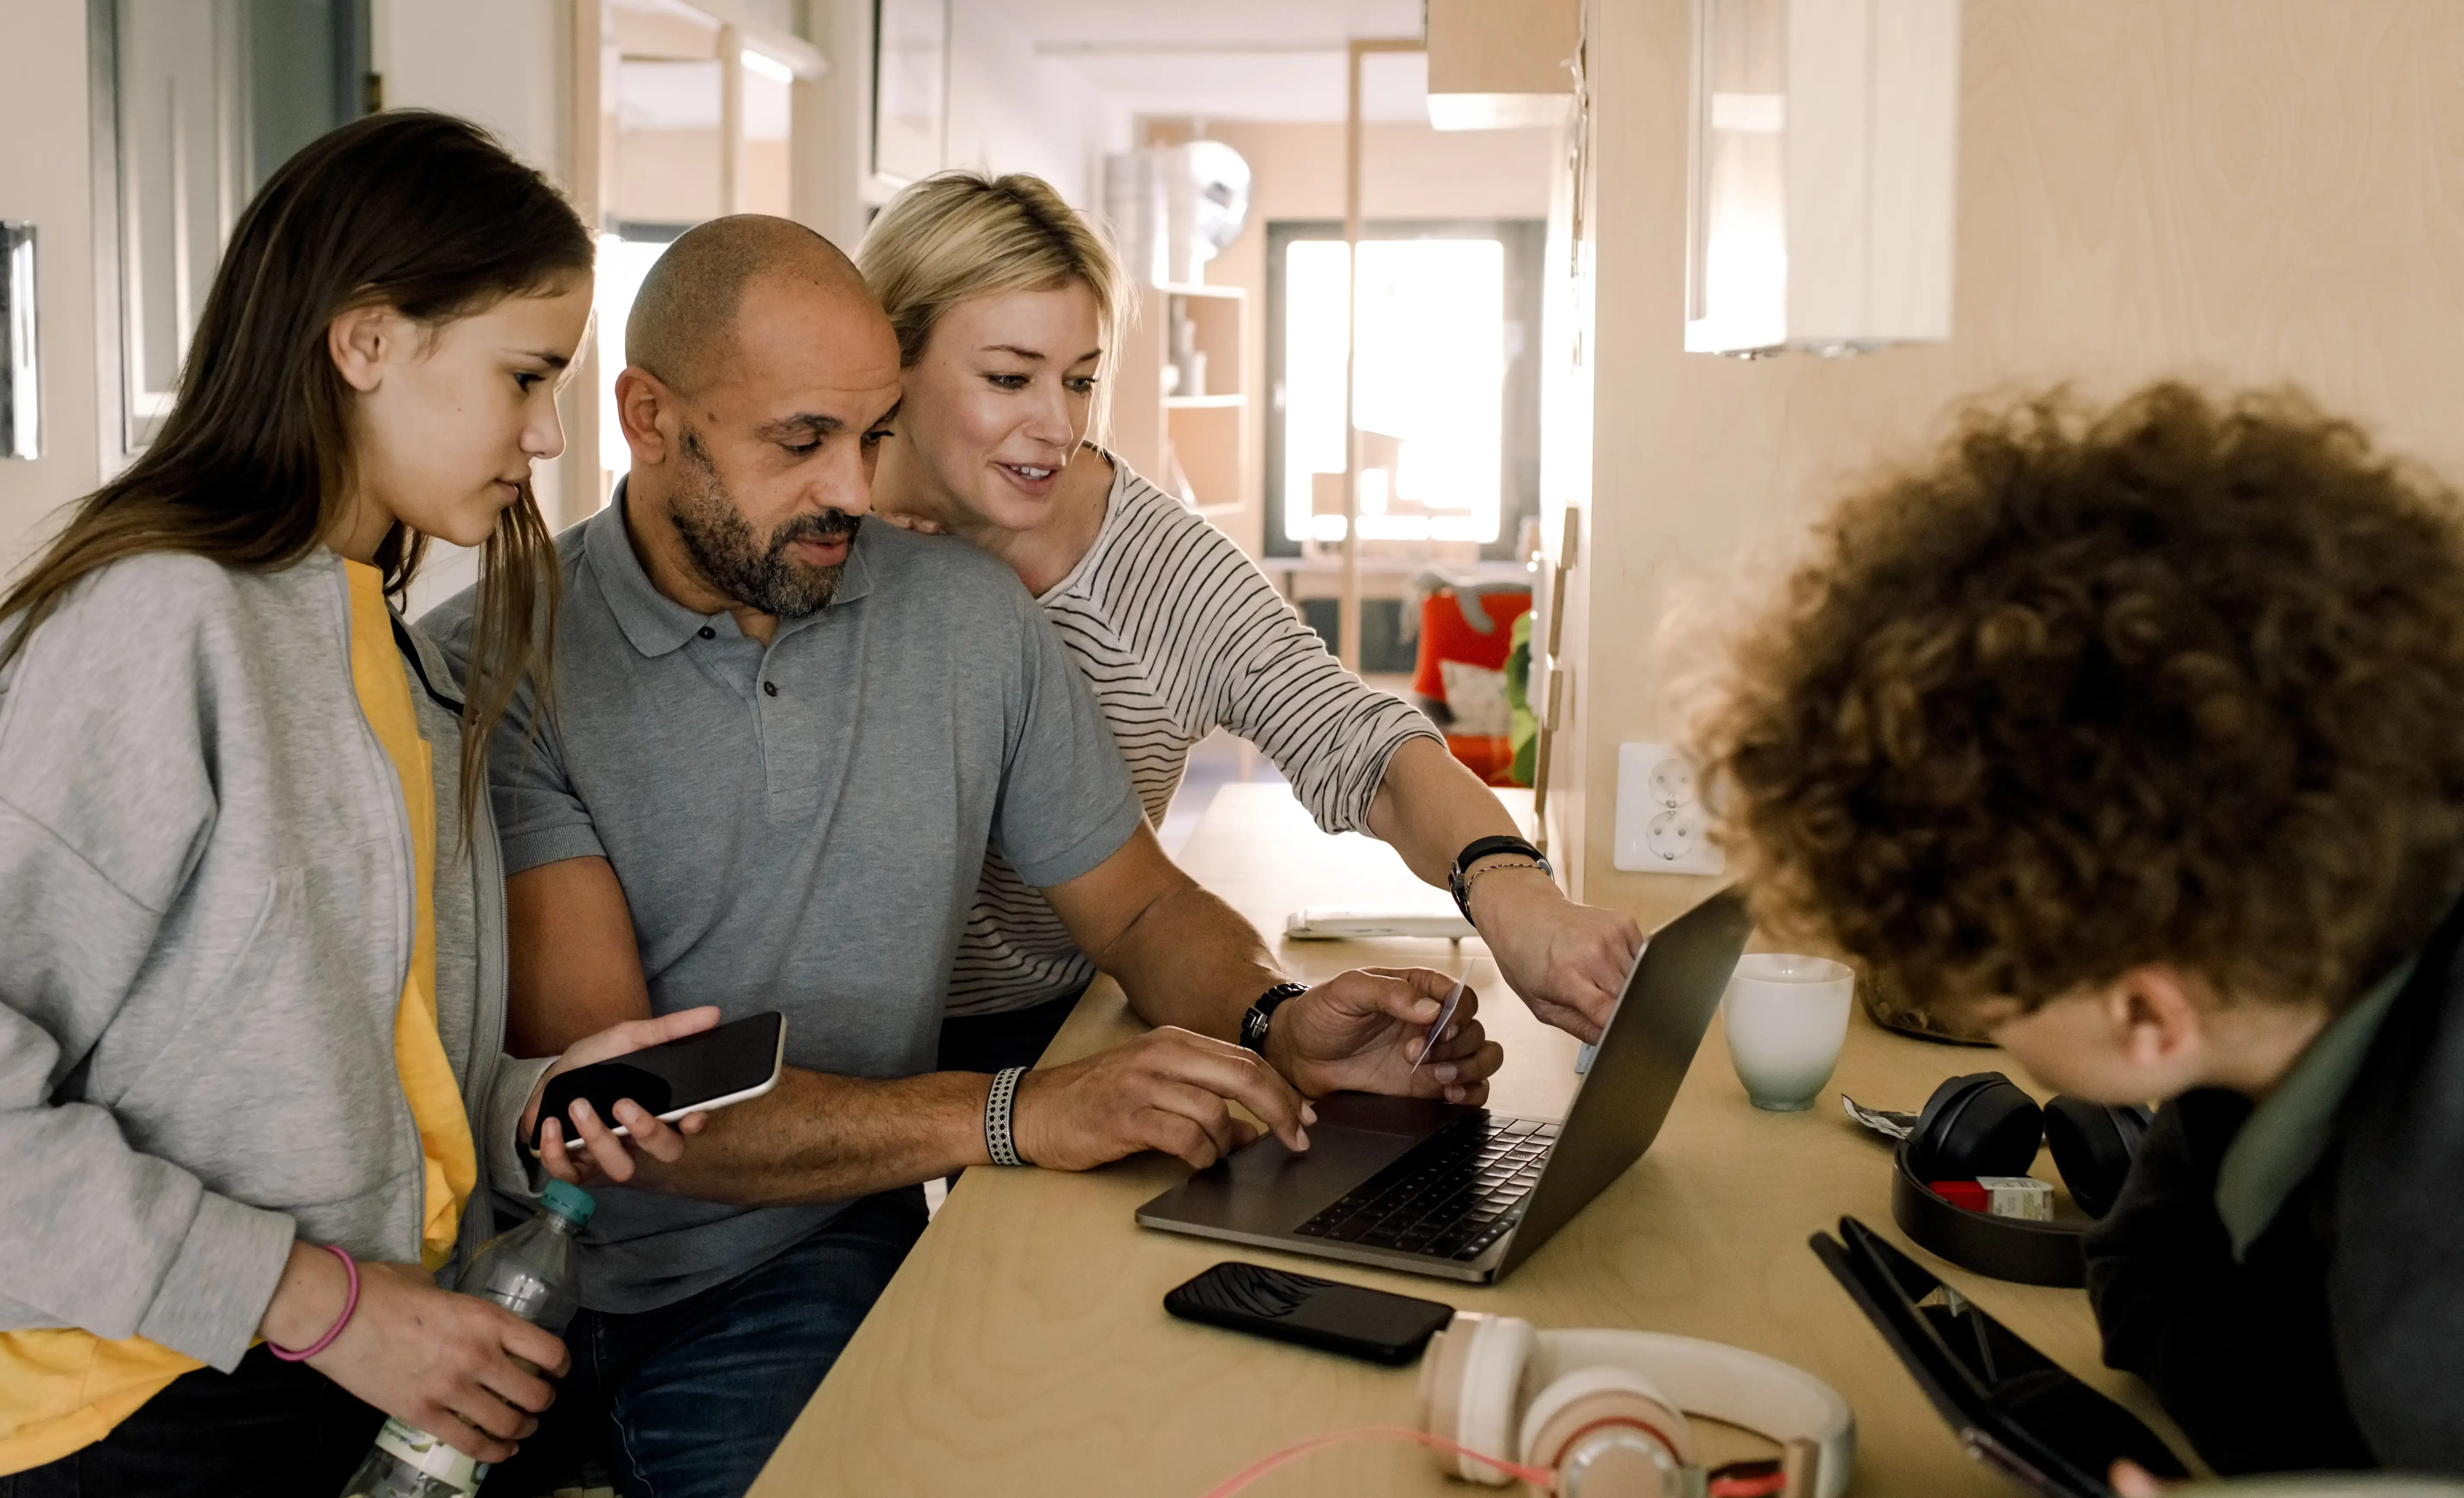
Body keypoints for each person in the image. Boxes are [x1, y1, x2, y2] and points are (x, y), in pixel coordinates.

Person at [421, 211, 1502, 1498]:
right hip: (505, 1283)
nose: (854, 492)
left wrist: (1275, 1017)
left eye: (872, 436)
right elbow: (632, 1106)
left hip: (798, 1257)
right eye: (801, 442)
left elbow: (1142, 912)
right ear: (647, 419)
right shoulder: (495, 659)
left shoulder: (969, 620)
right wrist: (1010, 1111)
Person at [0, 112, 713, 1498]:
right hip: (131, 1404)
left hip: (340, 1372)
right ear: (367, 341)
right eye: (523, 376)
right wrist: (318, 1304)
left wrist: (534, 1105)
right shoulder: (156, 623)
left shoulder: (399, 662)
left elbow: (342, 1074)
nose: (545, 434)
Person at [1694, 382, 2464, 1484]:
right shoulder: (2289, 988)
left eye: (1988, 989)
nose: (1971, 1008)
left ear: (2147, 1016)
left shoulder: (2429, 1305)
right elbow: (2149, 1270)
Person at [852, 170, 1644, 1077]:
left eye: (1080, 381)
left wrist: (1512, 887)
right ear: (890, 360)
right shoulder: (809, 546)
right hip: (837, 1031)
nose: (1058, 424)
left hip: (1059, 1020)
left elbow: (1353, 736)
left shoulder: (1153, 567)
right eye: (1007, 377)